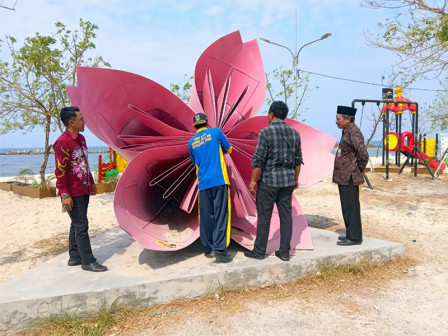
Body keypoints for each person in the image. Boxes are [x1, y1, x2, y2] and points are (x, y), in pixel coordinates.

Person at [244, 101, 303, 262]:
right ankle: (284, 252)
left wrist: (252, 181)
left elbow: (259, 160)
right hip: (287, 181)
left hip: (269, 181)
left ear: (271, 114)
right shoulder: (294, 134)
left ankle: (259, 251)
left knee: (264, 217)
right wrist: (295, 179)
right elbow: (298, 161)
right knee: (286, 217)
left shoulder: (266, 132)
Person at [54, 106, 108, 272]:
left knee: (76, 223)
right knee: (82, 225)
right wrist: (64, 194)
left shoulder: (81, 139)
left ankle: (75, 256)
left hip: (83, 189)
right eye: (81, 119)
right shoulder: (62, 142)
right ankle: (88, 261)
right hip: (72, 192)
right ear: (72, 122)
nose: (84, 122)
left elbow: (83, 163)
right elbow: (60, 171)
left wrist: (90, 183)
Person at [188, 112, 233, 263]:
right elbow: (229, 149)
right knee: (221, 215)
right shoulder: (216, 132)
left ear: (194, 126)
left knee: (206, 216)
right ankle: (220, 249)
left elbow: (195, 162)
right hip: (219, 180)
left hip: (203, 184)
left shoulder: (191, 142)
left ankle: (208, 249)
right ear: (207, 122)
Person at [333, 105, 369, 246]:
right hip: (344, 176)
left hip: (349, 176)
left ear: (347, 119)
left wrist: (360, 168)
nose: (336, 121)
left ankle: (354, 238)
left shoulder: (353, 133)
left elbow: (363, 154)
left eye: (338, 118)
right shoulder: (346, 131)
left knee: (351, 207)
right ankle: (350, 234)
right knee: (346, 207)